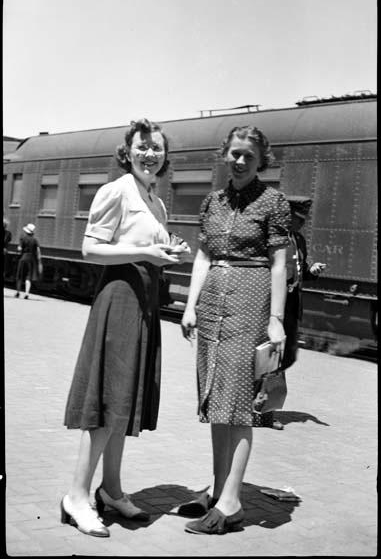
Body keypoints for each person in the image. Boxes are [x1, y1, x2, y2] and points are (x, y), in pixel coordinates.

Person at [62, 118, 190, 538]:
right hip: (118, 300)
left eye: (157, 148)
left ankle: (112, 490)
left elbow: (147, 249)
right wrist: (147, 250)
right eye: (143, 147)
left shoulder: (155, 200)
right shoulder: (115, 191)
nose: (150, 154)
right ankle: (77, 496)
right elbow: (90, 248)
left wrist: (168, 250)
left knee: (122, 402)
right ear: (128, 151)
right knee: (106, 400)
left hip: (144, 302)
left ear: (165, 155)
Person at [180, 124, 291, 535]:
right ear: (224, 155)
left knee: (241, 400)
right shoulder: (212, 202)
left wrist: (275, 318)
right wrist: (189, 306)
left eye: (249, 155)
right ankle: (216, 492)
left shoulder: (273, 202)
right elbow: (203, 258)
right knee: (216, 398)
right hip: (212, 306)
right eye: (235, 153)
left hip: (251, 302)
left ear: (261, 160)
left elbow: (279, 263)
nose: (240, 161)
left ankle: (231, 503)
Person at [268, 196, 326, 430]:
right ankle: (265, 412)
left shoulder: (298, 239)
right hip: (275, 306)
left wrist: (312, 269)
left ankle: (263, 405)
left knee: (288, 356)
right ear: (287, 216)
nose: (301, 224)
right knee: (272, 358)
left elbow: (301, 268)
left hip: (292, 305)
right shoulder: (274, 239)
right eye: (297, 219)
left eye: (303, 220)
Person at [14, 223, 42, 299]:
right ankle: (26, 294)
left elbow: (19, 249)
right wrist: (39, 261)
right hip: (32, 259)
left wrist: (18, 251)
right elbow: (38, 251)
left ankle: (18, 293)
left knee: (20, 276)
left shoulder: (22, 238)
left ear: (26, 231)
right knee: (28, 277)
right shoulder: (35, 239)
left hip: (23, 258)